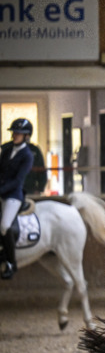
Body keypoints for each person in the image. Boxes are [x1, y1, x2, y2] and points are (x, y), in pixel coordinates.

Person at [0, 118, 35, 279]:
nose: (15, 135)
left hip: (13, 195)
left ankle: (11, 263)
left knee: (5, 226)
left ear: (26, 136)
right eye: (14, 132)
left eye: (19, 133)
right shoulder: (6, 151)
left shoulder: (27, 155)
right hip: (2, 191)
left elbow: (18, 181)